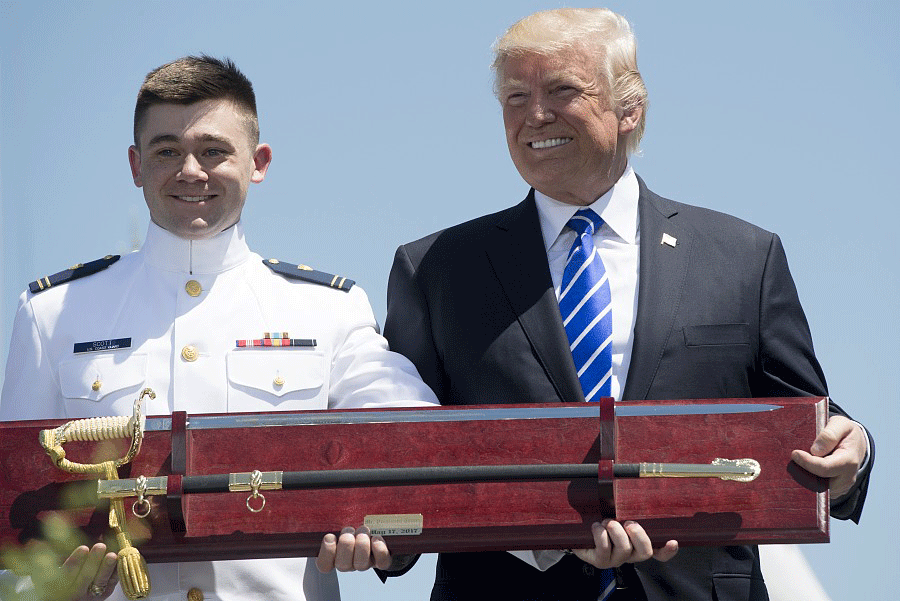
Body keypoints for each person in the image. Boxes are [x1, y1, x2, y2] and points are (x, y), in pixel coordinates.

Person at [378, 8, 874, 601]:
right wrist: (376, 533)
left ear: (629, 107)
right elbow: (400, 459)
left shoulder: (743, 257)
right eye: (515, 96)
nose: (534, 115)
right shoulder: (435, 269)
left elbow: (801, 422)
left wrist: (850, 452)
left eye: (562, 90)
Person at [0, 55, 436, 601]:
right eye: (166, 151)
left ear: (259, 162)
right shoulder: (52, 313)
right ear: (135, 165)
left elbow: (414, 443)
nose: (190, 171)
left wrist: (385, 536)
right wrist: (53, 587)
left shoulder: (328, 310)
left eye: (213, 151)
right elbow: (12, 505)